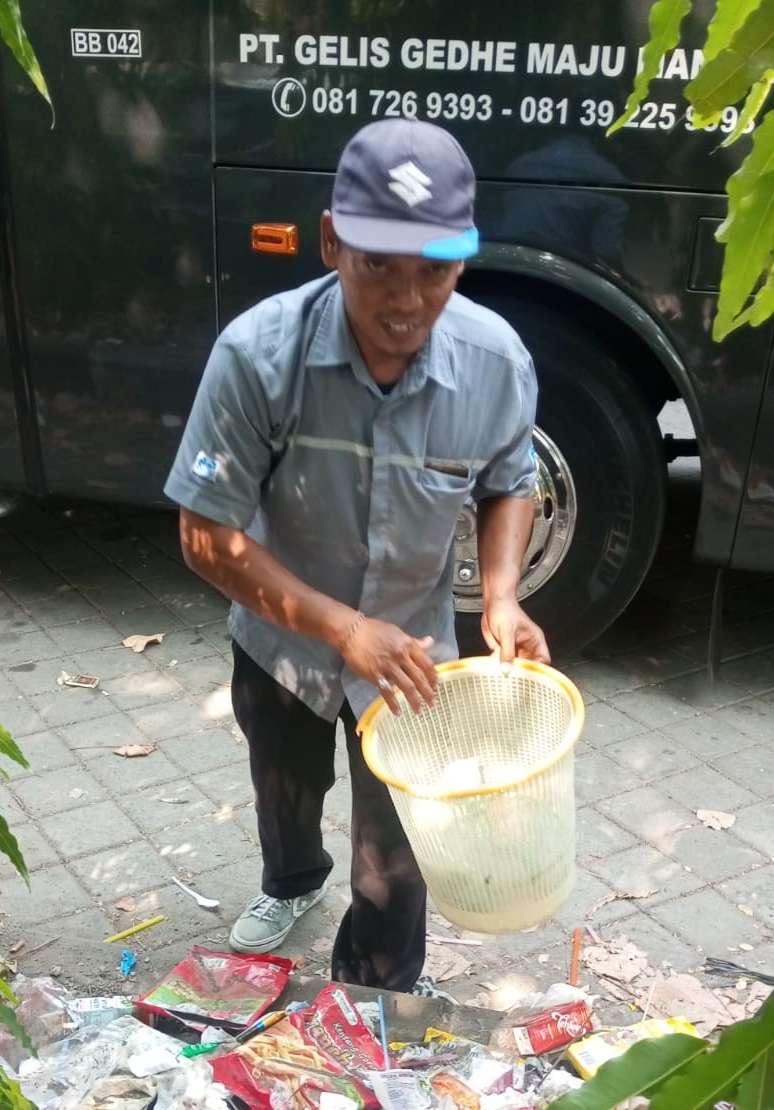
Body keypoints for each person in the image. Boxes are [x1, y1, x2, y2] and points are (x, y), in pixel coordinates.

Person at [164, 119, 549, 993]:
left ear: (464, 263)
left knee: (397, 856)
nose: (405, 301)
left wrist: (500, 597)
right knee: (286, 796)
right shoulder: (258, 358)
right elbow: (203, 536)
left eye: (435, 272)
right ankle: (293, 883)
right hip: (283, 640)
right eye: (379, 265)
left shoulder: (497, 365)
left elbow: (509, 481)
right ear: (332, 242)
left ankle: (374, 995)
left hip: (412, 660)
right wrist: (341, 629)